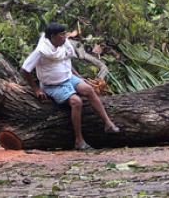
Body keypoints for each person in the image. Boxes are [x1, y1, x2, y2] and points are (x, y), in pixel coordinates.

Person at [21, 22, 120, 150]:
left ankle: (108, 123)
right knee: (76, 102)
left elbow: (66, 60)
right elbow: (25, 69)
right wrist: (36, 89)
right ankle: (79, 140)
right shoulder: (41, 51)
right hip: (52, 85)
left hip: (68, 77)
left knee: (89, 89)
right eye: (61, 35)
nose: (64, 37)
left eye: (64, 34)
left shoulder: (63, 45)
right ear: (52, 37)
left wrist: (77, 76)